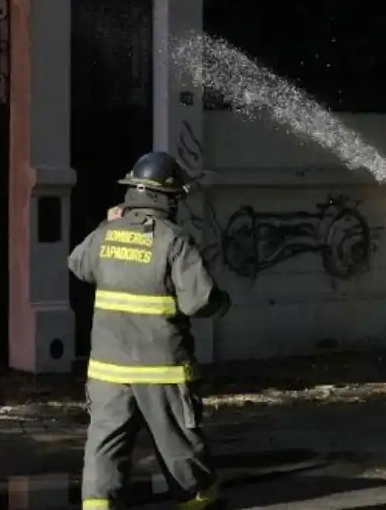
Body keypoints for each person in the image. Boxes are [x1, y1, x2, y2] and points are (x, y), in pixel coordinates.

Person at [68, 151, 232, 510]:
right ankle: (197, 500)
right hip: (161, 369)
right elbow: (199, 301)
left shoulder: (105, 235)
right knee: (178, 442)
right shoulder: (174, 240)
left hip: (107, 369)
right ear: (165, 198)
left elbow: (79, 265)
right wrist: (223, 301)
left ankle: (98, 505)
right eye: (175, 197)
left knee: (104, 444)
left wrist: (104, 226)